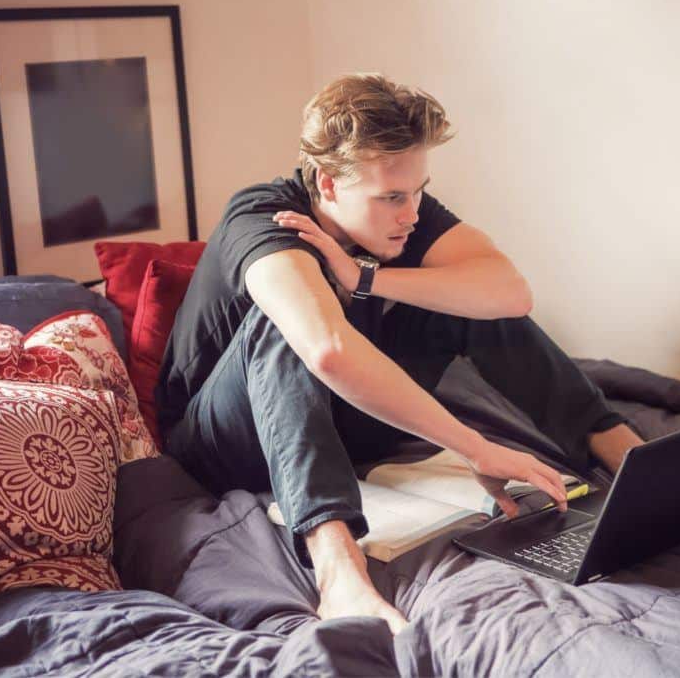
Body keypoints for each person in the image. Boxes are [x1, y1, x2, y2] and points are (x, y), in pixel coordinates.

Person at [156, 72, 644, 634]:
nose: (410, 213)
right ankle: (338, 568)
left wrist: (366, 279)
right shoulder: (266, 218)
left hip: (339, 418)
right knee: (288, 322)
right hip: (227, 442)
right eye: (392, 197)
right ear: (328, 183)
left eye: (417, 190)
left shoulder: (402, 211)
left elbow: (510, 292)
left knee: (465, 300)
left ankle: (624, 452)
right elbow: (329, 351)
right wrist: (474, 447)